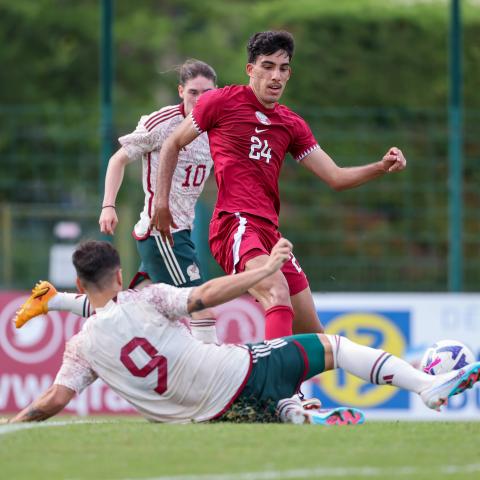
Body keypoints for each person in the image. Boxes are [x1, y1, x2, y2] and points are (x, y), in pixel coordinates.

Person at [3, 240, 479, 425]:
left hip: (205, 417)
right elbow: (205, 295)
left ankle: (296, 414)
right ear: (122, 271)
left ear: (82, 284)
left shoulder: (80, 347)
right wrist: (265, 268)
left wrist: (12, 427)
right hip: (236, 373)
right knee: (330, 346)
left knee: (268, 394)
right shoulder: (146, 298)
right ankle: (428, 386)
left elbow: (51, 403)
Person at [150, 31, 407, 340]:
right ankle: (278, 388)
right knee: (276, 290)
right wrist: (161, 203)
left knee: (315, 337)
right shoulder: (220, 102)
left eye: (283, 68)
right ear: (250, 70)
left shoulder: (291, 124)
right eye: (267, 66)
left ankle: (408, 379)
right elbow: (172, 144)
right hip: (234, 223)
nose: (275, 76)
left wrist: (380, 167)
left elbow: (335, 177)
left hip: (269, 233)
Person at [14, 59, 218, 343]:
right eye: (194, 92)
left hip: (179, 231)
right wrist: (108, 205)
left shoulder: (217, 127)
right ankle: (220, 381)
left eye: (207, 92)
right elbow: (117, 160)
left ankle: (53, 299)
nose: (200, 99)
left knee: (129, 309)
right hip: (164, 233)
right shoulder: (162, 123)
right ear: (180, 90)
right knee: (201, 305)